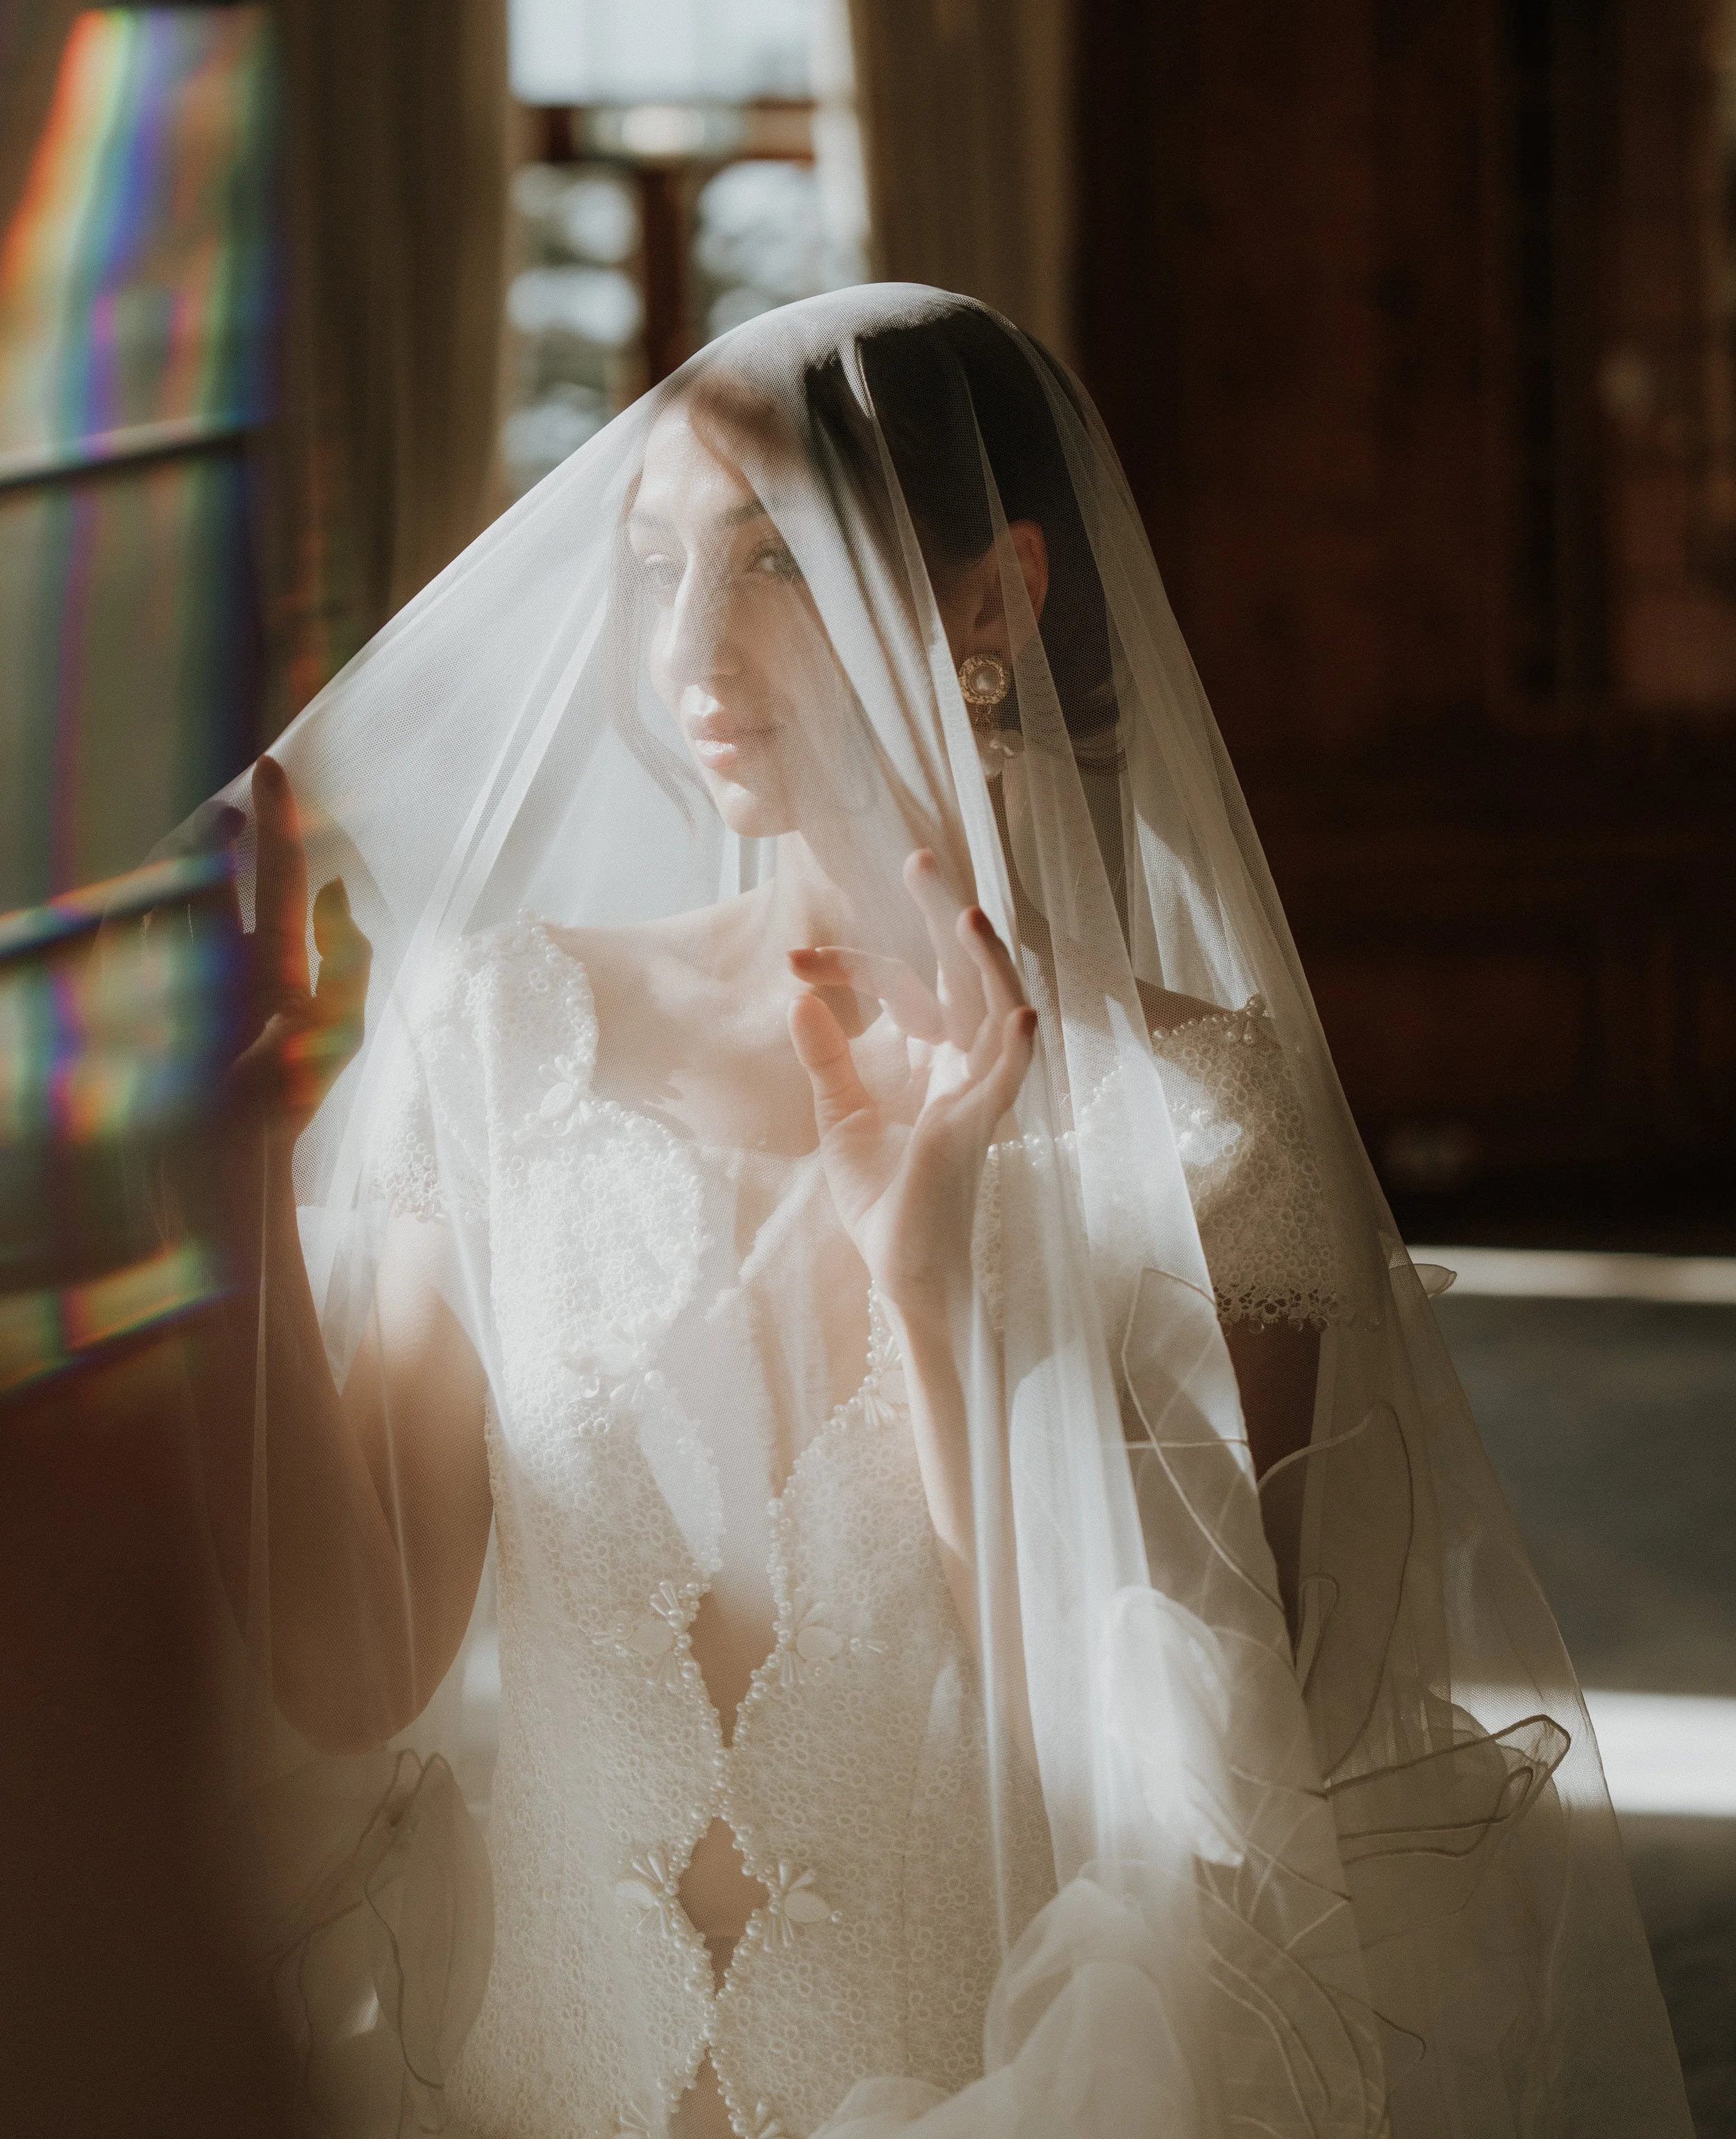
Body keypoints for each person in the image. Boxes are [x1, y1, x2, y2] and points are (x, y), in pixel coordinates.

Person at [178, 289, 1689, 2139]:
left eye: (768, 562)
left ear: (991, 600)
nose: (685, 648)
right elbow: (353, 1667)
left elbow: (1182, 1793)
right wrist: (231, 1176)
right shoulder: (516, 1030)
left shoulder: (1198, 1114)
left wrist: (938, 1298)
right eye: (654, 564)